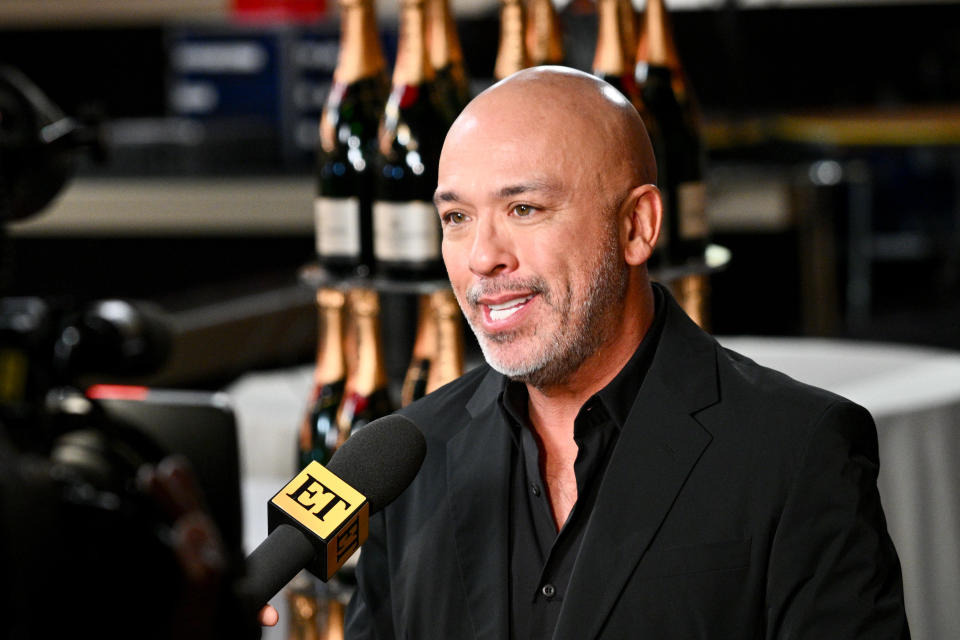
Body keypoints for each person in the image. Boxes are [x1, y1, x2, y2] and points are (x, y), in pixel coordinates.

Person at [341, 66, 910, 638]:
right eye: (457, 218)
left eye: (524, 209)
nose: (482, 257)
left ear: (637, 225)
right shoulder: (406, 461)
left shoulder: (796, 450)